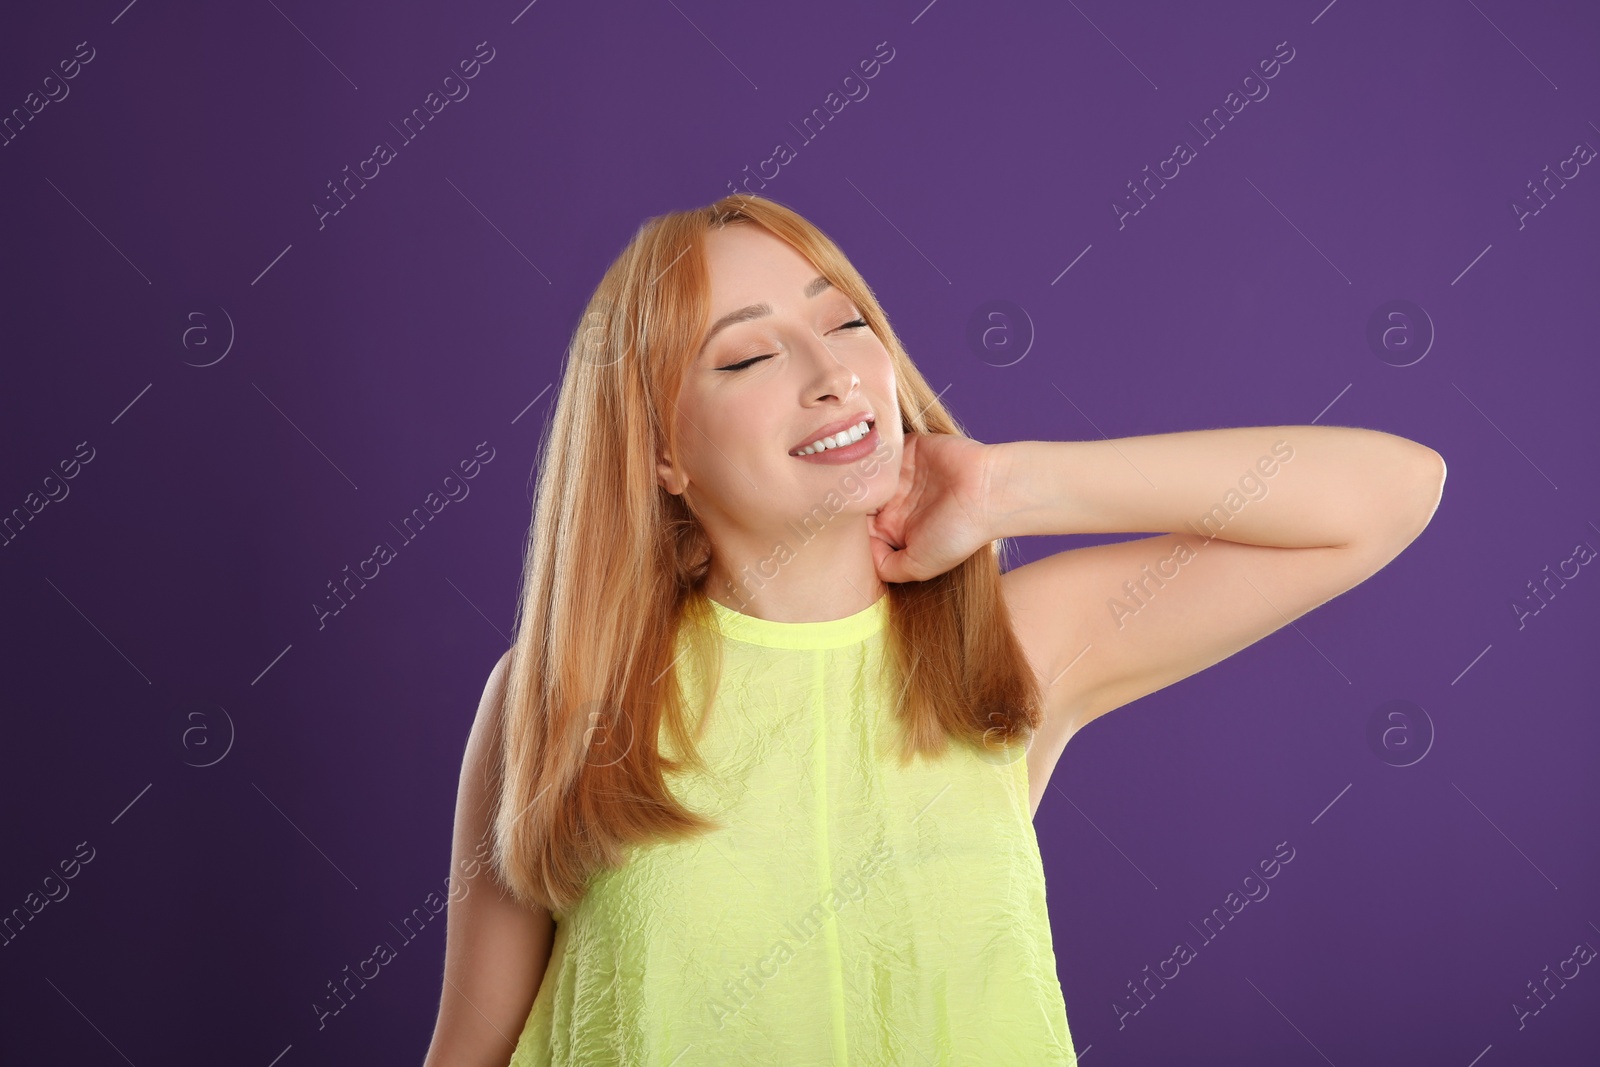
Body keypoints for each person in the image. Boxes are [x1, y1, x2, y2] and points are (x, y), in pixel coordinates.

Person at [421, 194, 1447, 1066]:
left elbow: (1390, 490)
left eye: (848, 322)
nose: (832, 373)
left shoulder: (1010, 643)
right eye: (743, 357)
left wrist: (1007, 483)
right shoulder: (563, 688)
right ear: (659, 455)